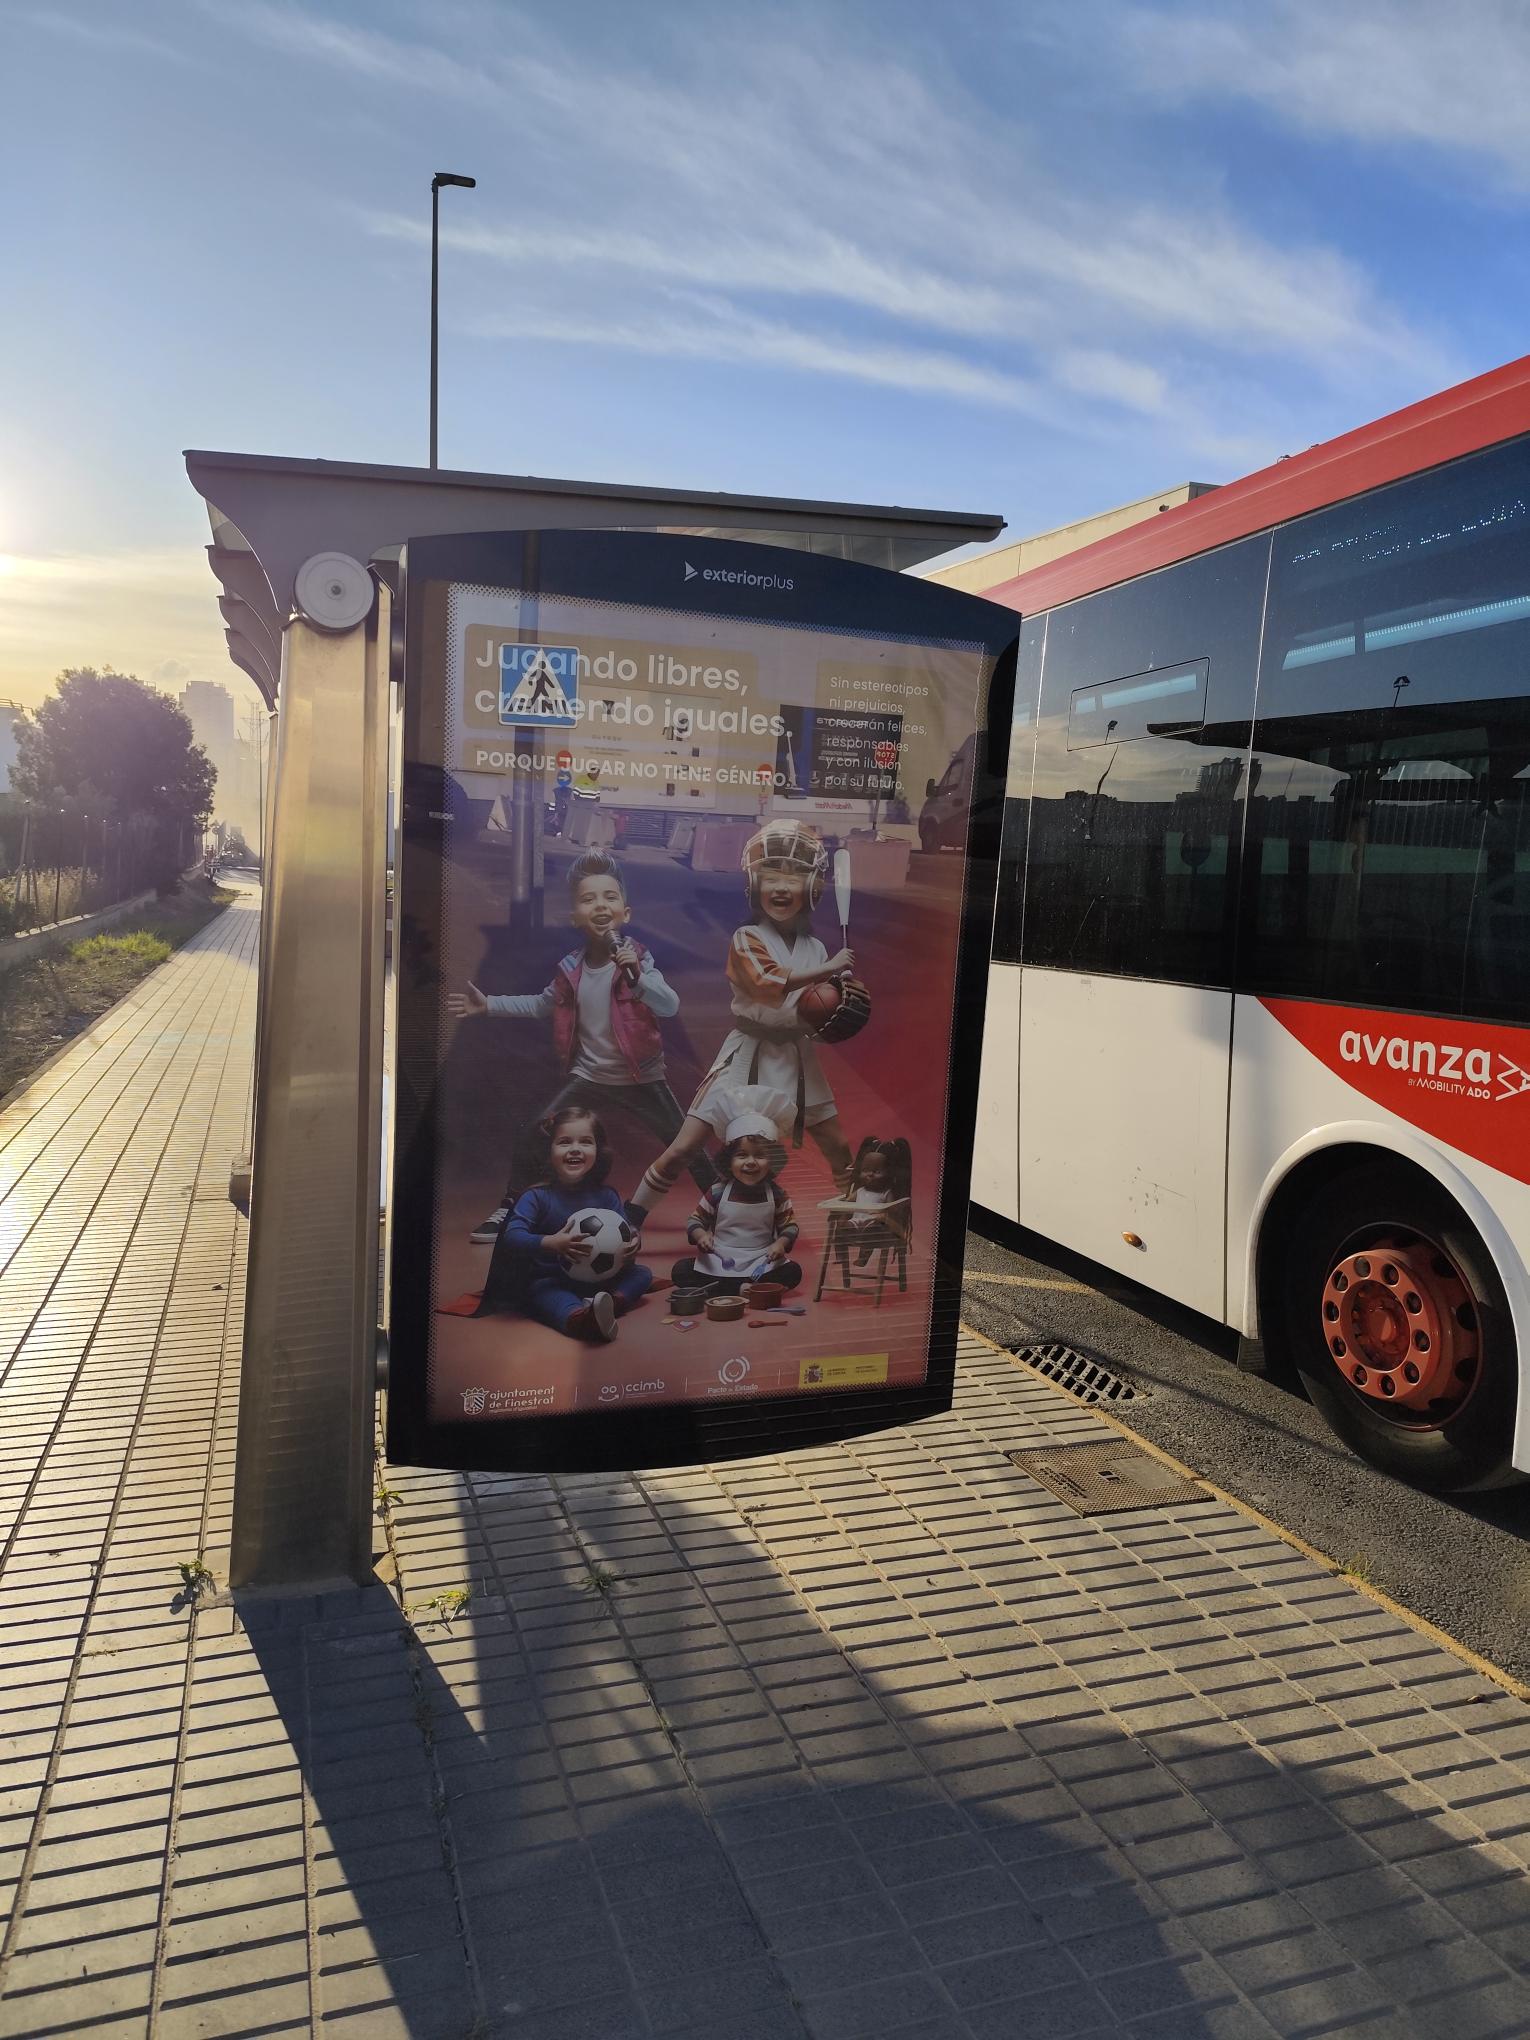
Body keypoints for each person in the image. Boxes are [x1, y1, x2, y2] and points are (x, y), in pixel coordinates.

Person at [450, 849, 713, 1242]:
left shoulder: (638, 959)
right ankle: (510, 1207)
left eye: (610, 897)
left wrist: (637, 976)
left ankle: (727, 1209)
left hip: (642, 1079)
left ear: (626, 913)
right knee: (535, 1131)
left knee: (685, 1145)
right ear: (575, 917)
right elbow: (541, 1004)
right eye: (588, 899)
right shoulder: (571, 968)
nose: (600, 905)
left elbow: (668, 1005)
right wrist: (489, 1004)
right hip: (588, 1077)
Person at [626, 821, 856, 1221]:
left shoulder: (817, 948)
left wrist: (841, 1003)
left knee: (836, 1144)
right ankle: (632, 1216)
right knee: (684, 1146)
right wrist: (828, 970)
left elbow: (812, 1015)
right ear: (754, 886)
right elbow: (767, 983)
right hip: (747, 1055)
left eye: (793, 879)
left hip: (797, 1058)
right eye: (771, 878)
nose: (780, 888)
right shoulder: (746, 937)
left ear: (812, 888)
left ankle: (856, 1212)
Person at [486, 1106, 651, 1341]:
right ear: (548, 1150)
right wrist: (551, 1243)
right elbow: (512, 1236)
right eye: (564, 1142)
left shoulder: (606, 1195)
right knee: (542, 1293)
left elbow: (626, 1229)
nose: (575, 1149)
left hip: (603, 1279)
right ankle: (580, 1319)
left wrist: (634, 1240)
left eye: (585, 1142)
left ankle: (610, 1304)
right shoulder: (537, 1197)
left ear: (598, 1150)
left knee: (642, 1274)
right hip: (553, 1279)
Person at [669, 1095, 804, 1295]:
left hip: (761, 1259)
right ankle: (747, 1289)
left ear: (773, 1161)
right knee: (681, 1271)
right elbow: (695, 1220)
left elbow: (790, 1226)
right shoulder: (717, 1191)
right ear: (729, 1161)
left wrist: (780, 1243)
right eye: (742, 1155)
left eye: (760, 1155)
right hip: (721, 1259)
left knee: (792, 1272)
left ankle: (729, 1289)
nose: (751, 1162)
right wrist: (701, 1236)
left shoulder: (777, 1195)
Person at [820, 1136, 911, 1265]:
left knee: (871, 1231)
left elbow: (892, 1208)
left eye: (877, 1171)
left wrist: (884, 1215)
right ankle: (841, 1255)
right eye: (865, 1170)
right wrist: (840, 1210)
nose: (870, 1174)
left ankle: (864, 1256)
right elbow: (846, 1202)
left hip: (873, 1225)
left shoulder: (886, 1193)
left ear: (889, 1174)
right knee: (840, 1228)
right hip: (855, 1223)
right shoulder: (860, 1191)